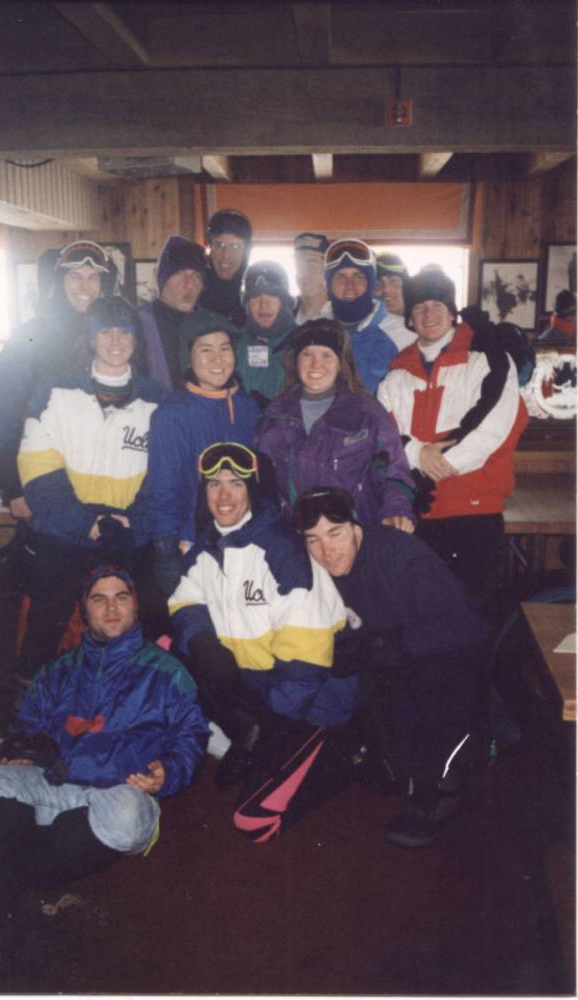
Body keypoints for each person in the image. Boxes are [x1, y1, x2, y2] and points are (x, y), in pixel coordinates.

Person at [0, 564, 208, 972]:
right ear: (84, 611)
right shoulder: (58, 670)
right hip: (57, 780)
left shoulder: (167, 672)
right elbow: (29, 724)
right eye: (98, 599)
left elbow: (191, 735)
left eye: (121, 597)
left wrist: (170, 772)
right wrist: (23, 750)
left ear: (135, 607)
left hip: (120, 788)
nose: (110, 608)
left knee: (127, 818)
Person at [169, 442, 367, 843]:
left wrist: (274, 724)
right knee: (169, 651)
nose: (223, 496)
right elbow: (185, 599)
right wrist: (205, 642)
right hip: (259, 686)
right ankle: (246, 738)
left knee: (254, 821)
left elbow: (306, 665)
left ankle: (344, 750)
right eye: (214, 484)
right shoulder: (208, 546)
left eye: (236, 485)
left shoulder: (281, 550)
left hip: (310, 701)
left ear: (253, 490)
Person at [293, 486, 486, 848]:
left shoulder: (399, 555)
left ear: (354, 527)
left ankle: (440, 785)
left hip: (449, 659)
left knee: (429, 691)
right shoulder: (317, 568)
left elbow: (463, 628)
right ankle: (409, 770)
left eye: (335, 534)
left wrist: (380, 648)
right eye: (313, 540)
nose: (326, 551)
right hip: (391, 661)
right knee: (384, 764)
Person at [16, 296, 166, 682]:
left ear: (137, 339)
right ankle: (29, 706)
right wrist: (86, 522)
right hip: (64, 531)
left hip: (127, 534)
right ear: (91, 338)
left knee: (142, 617)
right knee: (46, 617)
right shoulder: (54, 392)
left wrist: (132, 522)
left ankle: (128, 705)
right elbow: (37, 470)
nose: (116, 341)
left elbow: (165, 479)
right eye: (105, 331)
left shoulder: (159, 402)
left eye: (125, 331)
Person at [377, 268, 529, 622]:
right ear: (410, 318)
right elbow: (383, 435)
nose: (428, 314)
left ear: (451, 310)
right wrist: (418, 453)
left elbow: (494, 432)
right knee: (418, 620)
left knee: (471, 619)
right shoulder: (396, 373)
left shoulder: (487, 358)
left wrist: (430, 472)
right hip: (417, 517)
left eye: (436, 305)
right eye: (419, 307)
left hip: (473, 512)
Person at [0, 240, 117, 518]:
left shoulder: (114, 335)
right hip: (44, 484)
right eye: (74, 277)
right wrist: (13, 488)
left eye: (93, 277)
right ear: (58, 282)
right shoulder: (30, 336)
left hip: (103, 485)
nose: (85, 287)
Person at [254, 318, 415, 530]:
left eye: (327, 355)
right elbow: (260, 485)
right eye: (307, 355)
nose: (316, 365)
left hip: (352, 537)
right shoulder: (274, 416)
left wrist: (396, 509)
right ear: (295, 361)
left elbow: (392, 472)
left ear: (341, 362)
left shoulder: (367, 414)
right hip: (292, 539)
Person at [147, 313, 260, 594]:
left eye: (224, 348)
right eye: (205, 350)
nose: (217, 359)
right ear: (189, 358)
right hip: (190, 540)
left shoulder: (249, 407)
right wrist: (169, 549)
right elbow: (164, 489)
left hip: (244, 537)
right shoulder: (172, 414)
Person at [137, 235, 223, 390]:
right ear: (162, 280)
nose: (189, 284)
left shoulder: (211, 325)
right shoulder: (138, 323)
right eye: (179, 273)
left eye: (196, 275)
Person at [324, 238, 398, 394]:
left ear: (371, 282)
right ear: (329, 283)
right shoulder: (313, 330)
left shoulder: (401, 332)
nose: (349, 285)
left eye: (358, 276)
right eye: (341, 277)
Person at [235, 261, 296, 406]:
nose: (264, 305)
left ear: (284, 300)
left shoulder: (306, 342)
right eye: (256, 297)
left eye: (272, 295)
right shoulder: (233, 345)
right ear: (247, 302)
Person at [199, 209, 252, 326]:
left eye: (235, 246)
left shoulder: (256, 298)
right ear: (210, 248)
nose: (226, 255)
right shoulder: (194, 293)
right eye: (219, 245)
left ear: (246, 251)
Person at [374, 251, 417, 351]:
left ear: (406, 286)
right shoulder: (368, 332)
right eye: (377, 284)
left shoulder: (426, 324)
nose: (386, 289)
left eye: (393, 280)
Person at [292, 231, 329, 324]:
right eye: (298, 266)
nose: (302, 274)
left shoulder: (342, 316)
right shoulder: (285, 314)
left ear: (327, 271)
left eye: (311, 267)